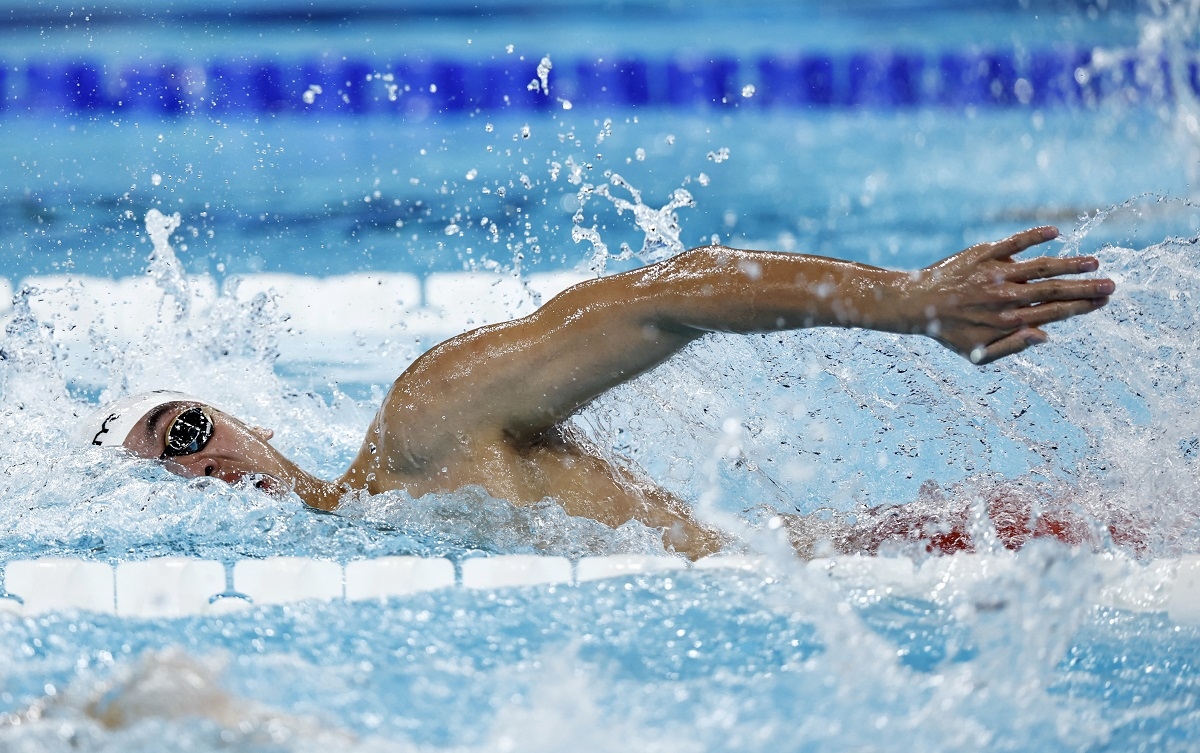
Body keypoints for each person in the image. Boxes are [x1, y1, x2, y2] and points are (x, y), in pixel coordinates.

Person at [79, 226, 1114, 559]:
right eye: (161, 474)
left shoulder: (420, 427)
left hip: (902, 558)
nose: (199, 469)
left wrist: (909, 301)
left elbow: (665, 299)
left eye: (185, 429)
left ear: (247, 420)